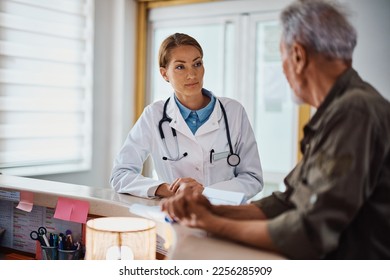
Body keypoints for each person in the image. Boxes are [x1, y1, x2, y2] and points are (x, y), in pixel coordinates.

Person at [161, 0, 390, 259]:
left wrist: (210, 223)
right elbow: (287, 201)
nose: (282, 69)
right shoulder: (335, 113)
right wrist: (211, 209)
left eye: (282, 57)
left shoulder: (355, 111)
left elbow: (308, 232)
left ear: (298, 57)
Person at [110, 33, 263, 201]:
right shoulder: (153, 115)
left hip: (224, 216)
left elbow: (253, 178)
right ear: (164, 74)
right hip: (174, 216)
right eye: (180, 67)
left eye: (197, 64)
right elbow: (120, 175)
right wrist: (166, 189)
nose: (192, 74)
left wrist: (205, 192)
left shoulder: (233, 111)